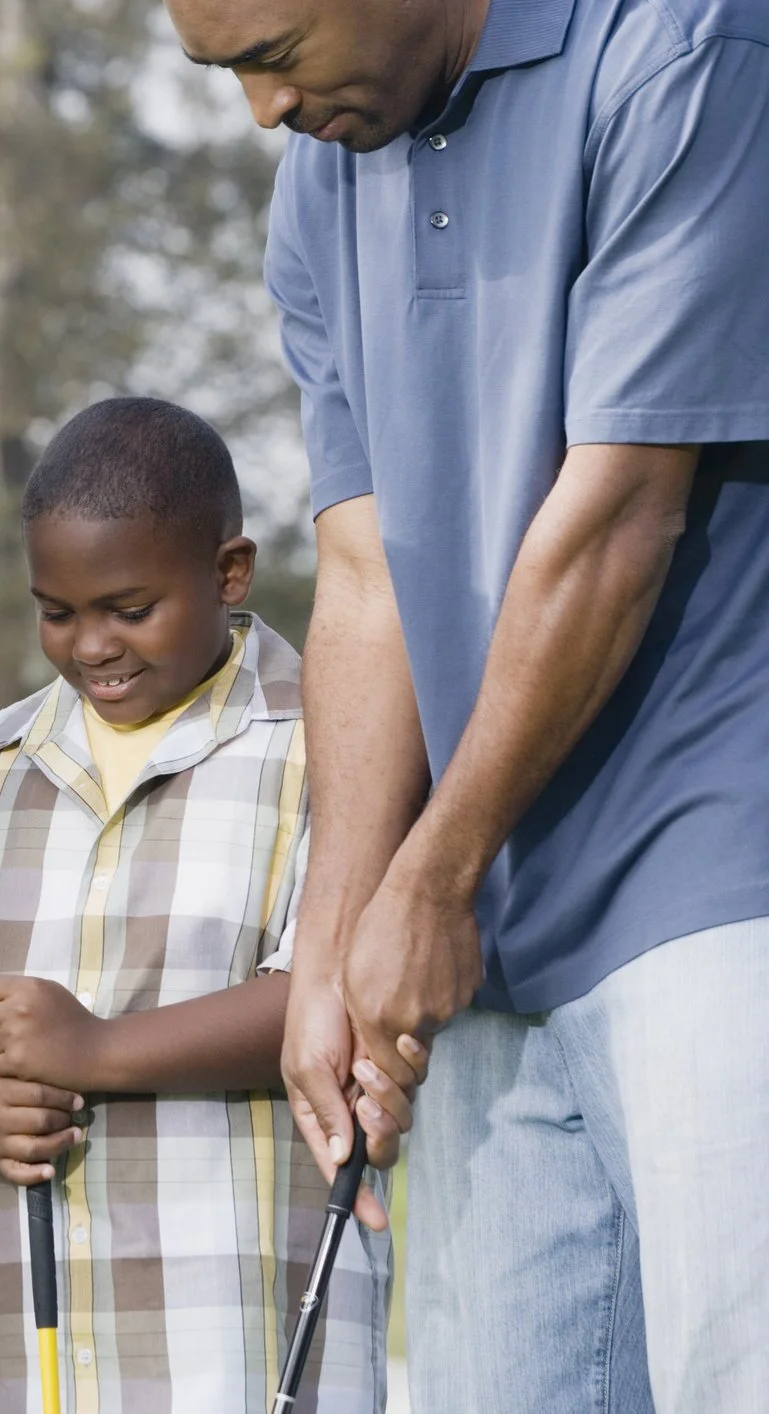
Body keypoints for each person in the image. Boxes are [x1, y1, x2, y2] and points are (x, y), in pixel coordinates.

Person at [163, 0, 769, 1406]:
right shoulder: (321, 179)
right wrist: (333, 939)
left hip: (716, 878)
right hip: (484, 924)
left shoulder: (680, 49)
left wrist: (427, 878)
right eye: (222, 72)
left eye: (273, 54)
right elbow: (365, 574)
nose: (260, 110)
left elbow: (619, 518)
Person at [0, 398, 390, 1414]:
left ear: (228, 575)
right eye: (56, 611)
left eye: (129, 607)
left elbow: (340, 987)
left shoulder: (327, 746)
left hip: (240, 1342)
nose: (90, 644)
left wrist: (94, 1050)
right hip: (25, 1354)